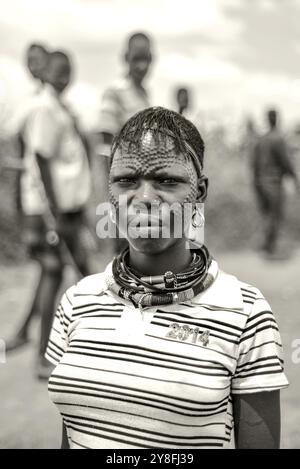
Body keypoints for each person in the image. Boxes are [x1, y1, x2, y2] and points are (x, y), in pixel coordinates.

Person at [46, 107, 288, 449]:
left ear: (199, 193)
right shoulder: (78, 301)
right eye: (126, 180)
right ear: (110, 195)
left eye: (167, 181)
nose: (144, 199)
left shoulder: (245, 313)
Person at [6, 50, 92, 379]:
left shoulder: (60, 107)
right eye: (58, 70)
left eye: (68, 70)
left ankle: (91, 343)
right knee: (55, 271)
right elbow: (39, 161)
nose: (62, 76)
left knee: (76, 272)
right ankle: (42, 355)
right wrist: (51, 214)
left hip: (67, 208)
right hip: (49, 210)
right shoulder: (43, 108)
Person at [97, 32, 153, 253]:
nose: (142, 65)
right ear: (125, 57)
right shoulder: (115, 92)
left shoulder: (144, 94)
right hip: (126, 187)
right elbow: (105, 145)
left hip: (144, 184)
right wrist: (115, 192)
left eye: (146, 58)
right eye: (137, 58)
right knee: (125, 249)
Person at [253, 109, 299, 254]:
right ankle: (269, 246)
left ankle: (268, 245)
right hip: (273, 181)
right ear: (276, 119)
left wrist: (256, 181)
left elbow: (254, 163)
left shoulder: (261, 139)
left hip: (261, 181)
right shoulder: (277, 139)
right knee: (275, 213)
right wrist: (294, 177)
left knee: (267, 213)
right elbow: (285, 161)